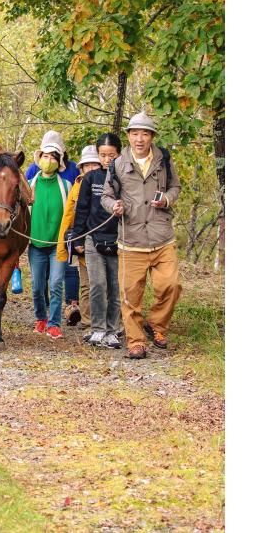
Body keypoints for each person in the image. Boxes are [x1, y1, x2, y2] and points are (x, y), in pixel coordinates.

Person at [101, 111, 182, 359]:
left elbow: (175, 187)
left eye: (144, 134)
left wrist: (167, 199)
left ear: (151, 137)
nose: (139, 139)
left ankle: (157, 325)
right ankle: (136, 341)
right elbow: (105, 195)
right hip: (131, 238)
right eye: (135, 133)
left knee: (172, 285)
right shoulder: (117, 164)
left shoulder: (164, 160)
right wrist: (113, 206)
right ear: (128, 136)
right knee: (130, 295)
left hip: (162, 237)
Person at [73, 133, 124, 349]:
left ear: (119, 155)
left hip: (119, 240)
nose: (107, 160)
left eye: (111, 155)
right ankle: (97, 328)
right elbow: (81, 209)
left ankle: (113, 330)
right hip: (93, 239)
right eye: (103, 155)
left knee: (115, 286)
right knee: (97, 285)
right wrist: (78, 237)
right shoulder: (90, 179)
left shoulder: (125, 178)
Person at [27, 130, 81, 324]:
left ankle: (55, 323)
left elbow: (74, 210)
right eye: (46, 155)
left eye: (53, 156)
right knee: (37, 286)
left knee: (56, 283)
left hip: (58, 244)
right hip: (36, 243)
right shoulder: (30, 183)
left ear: (60, 160)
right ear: (39, 157)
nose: (49, 160)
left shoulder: (67, 183)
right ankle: (40, 318)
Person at [55, 145, 102, 337]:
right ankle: (87, 319)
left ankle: (104, 320)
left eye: (94, 164)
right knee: (86, 282)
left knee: (102, 283)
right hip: (82, 239)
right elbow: (69, 216)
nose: (91, 168)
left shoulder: (107, 183)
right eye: (87, 165)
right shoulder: (77, 186)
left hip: (104, 240)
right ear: (81, 168)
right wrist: (67, 244)